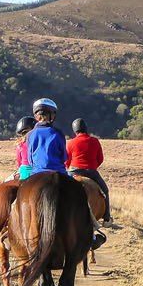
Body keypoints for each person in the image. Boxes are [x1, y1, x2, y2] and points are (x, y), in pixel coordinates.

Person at [27, 98, 105, 248]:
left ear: (36, 115)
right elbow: (64, 157)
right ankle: (92, 234)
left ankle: (9, 230)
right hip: (59, 174)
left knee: (20, 200)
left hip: (35, 174)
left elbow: (30, 158)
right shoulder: (57, 133)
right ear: (52, 115)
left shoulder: (30, 135)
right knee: (81, 199)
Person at [65, 118, 110, 222]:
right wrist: (92, 166)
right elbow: (100, 159)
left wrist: (69, 168)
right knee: (105, 190)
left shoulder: (70, 143)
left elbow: (66, 161)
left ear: (74, 130)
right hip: (91, 172)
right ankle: (107, 217)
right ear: (86, 128)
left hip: (73, 172)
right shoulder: (95, 141)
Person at [14, 116, 34, 180]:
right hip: (37, 170)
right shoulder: (38, 143)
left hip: (24, 171)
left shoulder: (19, 145)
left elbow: (19, 161)